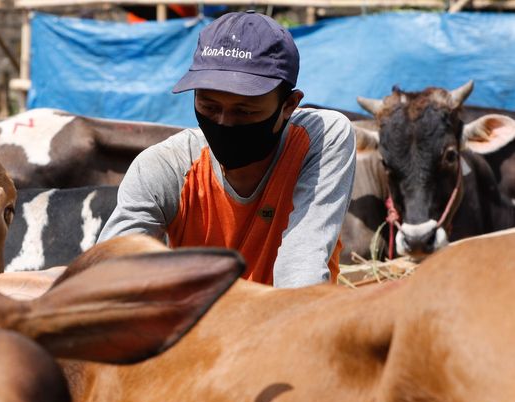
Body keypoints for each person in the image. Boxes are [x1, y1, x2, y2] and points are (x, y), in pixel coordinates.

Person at [98, 11, 356, 288]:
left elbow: (302, 264)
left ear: (289, 106)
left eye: (244, 111)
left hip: (289, 319)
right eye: (209, 107)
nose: (223, 123)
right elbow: (108, 273)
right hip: (202, 325)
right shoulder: (165, 166)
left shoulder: (318, 138)